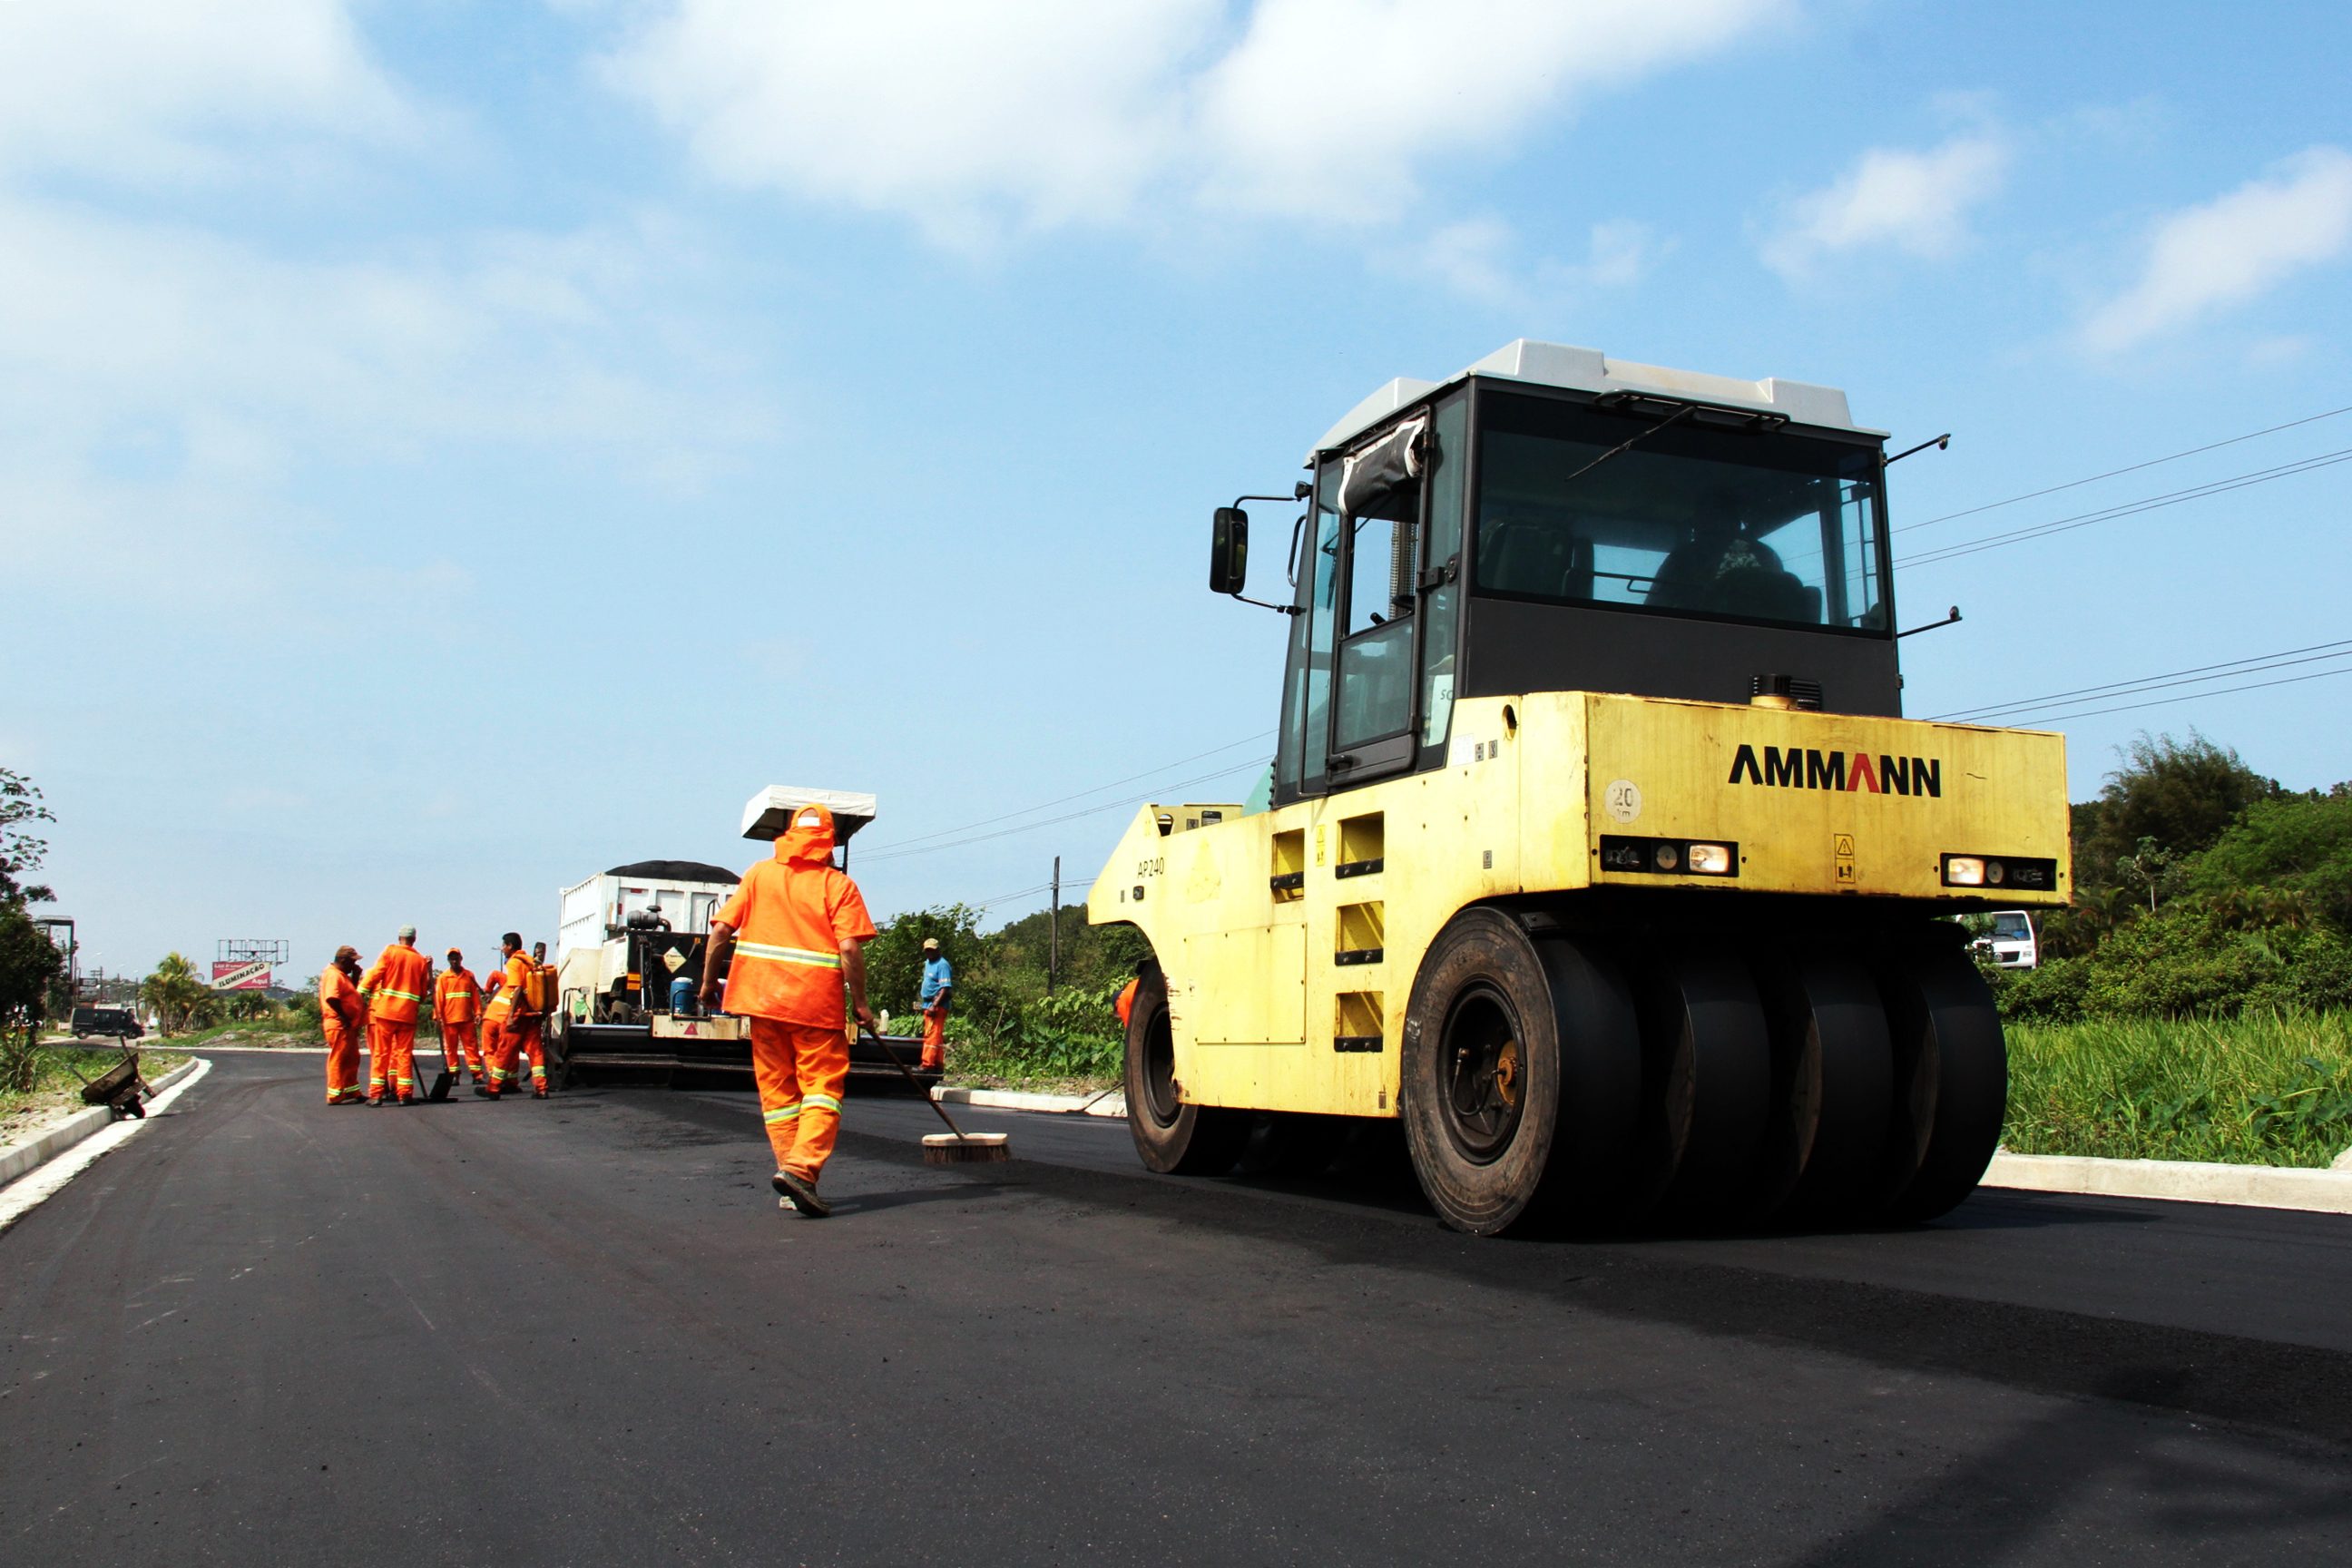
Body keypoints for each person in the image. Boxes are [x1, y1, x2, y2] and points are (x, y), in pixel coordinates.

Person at [700, 801, 877, 1219]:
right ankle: (800, 1169)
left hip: (760, 1001)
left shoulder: (759, 874)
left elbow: (722, 930)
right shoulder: (838, 886)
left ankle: (789, 1176)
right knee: (822, 1090)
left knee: (778, 1094)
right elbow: (849, 947)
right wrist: (863, 1004)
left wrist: (708, 983)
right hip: (814, 1005)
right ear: (829, 842)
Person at [359, 926, 432, 1105]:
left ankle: (376, 1095)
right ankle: (404, 1095)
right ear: (414, 939)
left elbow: (376, 973)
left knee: (381, 1054)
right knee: (404, 1054)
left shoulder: (390, 952)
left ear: (400, 937)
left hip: (386, 1012)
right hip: (408, 1014)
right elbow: (423, 993)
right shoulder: (419, 960)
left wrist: (361, 990)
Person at [320, 946, 367, 1103]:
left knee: (352, 1058)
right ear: (342, 960)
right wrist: (344, 1017)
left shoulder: (342, 976)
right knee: (339, 1058)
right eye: (352, 962)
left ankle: (351, 1091)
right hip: (339, 1024)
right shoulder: (334, 975)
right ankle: (334, 1094)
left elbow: (350, 994)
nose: (354, 965)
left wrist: (355, 976)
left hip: (348, 1025)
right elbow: (332, 998)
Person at [436, 949, 485, 1085]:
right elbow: (439, 999)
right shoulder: (443, 978)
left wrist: (478, 1013)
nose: (454, 961)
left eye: (456, 958)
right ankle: (454, 1075)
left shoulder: (468, 976)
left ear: (461, 958)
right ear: (448, 960)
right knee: (451, 1049)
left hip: (466, 1020)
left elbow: (475, 997)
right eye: (452, 959)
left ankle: (477, 1075)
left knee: (471, 1048)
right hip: (449, 1020)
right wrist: (437, 1017)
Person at [917, 936, 954, 1071]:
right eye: (927, 950)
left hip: (937, 1004)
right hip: (928, 1003)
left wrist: (935, 1005)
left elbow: (945, 988)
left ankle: (928, 1064)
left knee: (932, 1034)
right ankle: (938, 1063)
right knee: (933, 1034)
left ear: (938, 950)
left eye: (932, 950)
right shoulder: (928, 963)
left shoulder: (942, 964)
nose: (929, 953)